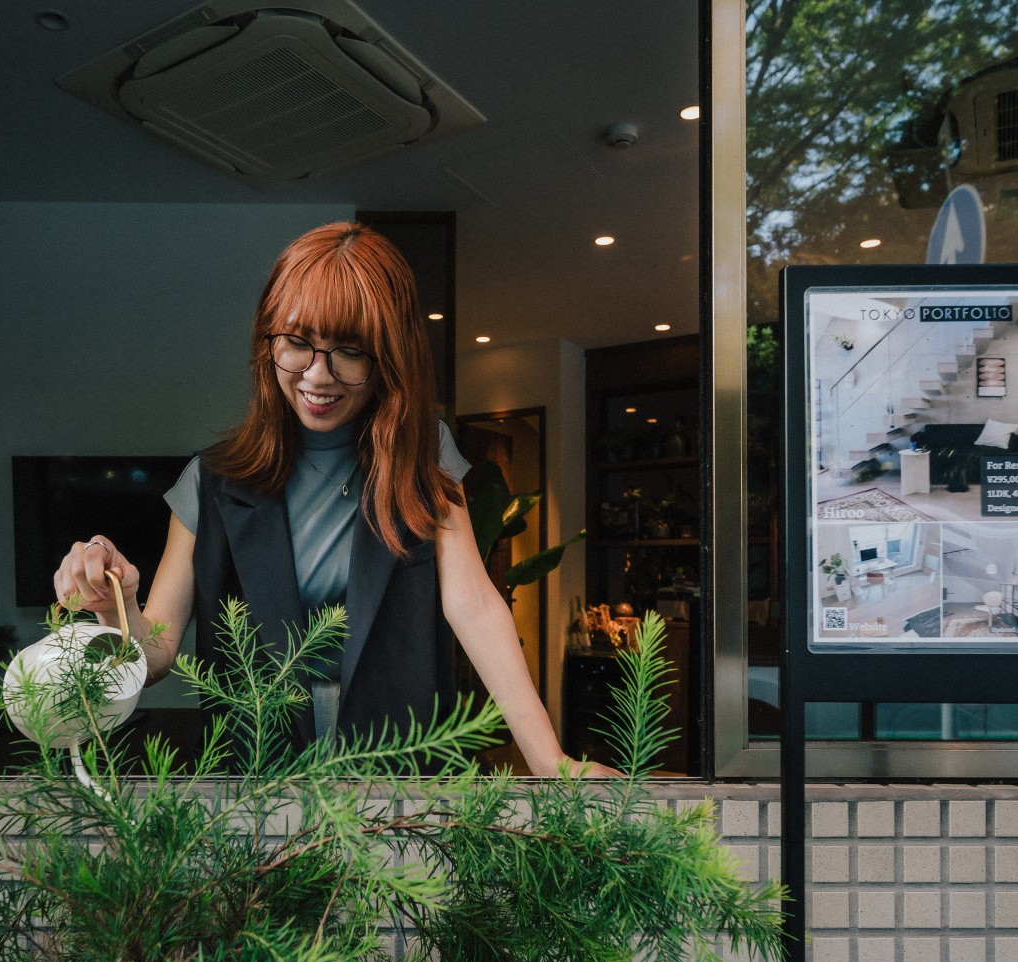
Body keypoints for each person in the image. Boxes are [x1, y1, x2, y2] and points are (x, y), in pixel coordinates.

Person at [53, 221, 612, 778]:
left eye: (349, 351)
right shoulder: (213, 479)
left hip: (396, 751)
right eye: (296, 344)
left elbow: (473, 602)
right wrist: (115, 607)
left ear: (389, 357)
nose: (317, 377)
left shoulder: (423, 454)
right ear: (268, 342)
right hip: (258, 767)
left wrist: (552, 763)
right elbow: (159, 652)